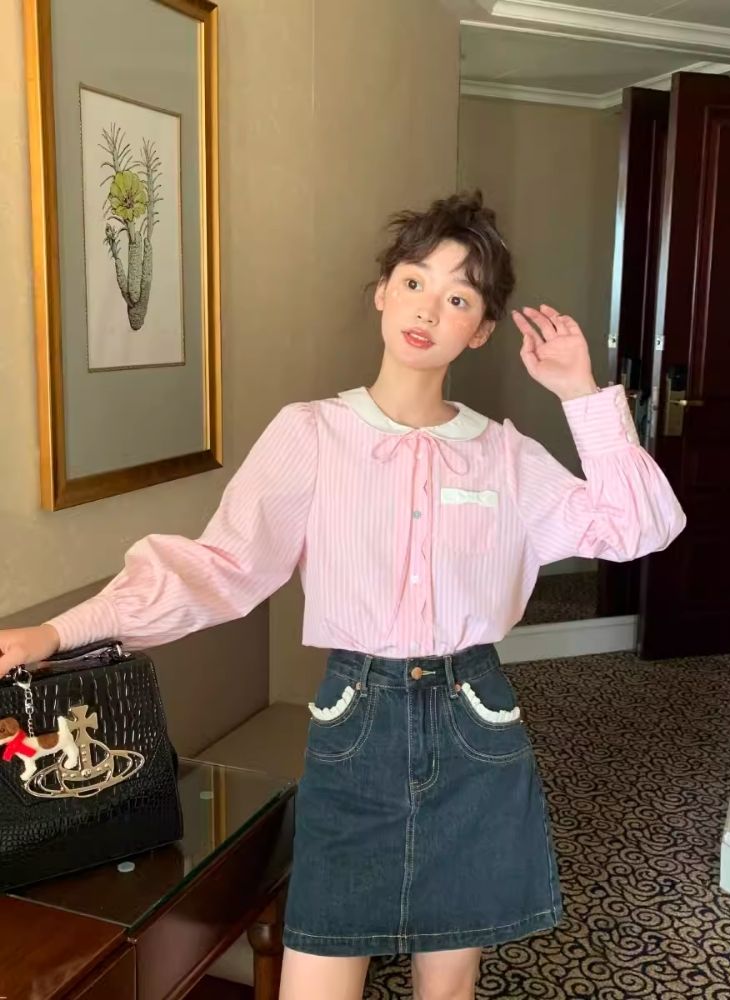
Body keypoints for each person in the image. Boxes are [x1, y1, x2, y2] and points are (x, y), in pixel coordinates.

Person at [0, 191, 686, 1000]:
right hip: (356, 722)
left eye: (459, 298)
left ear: (482, 329)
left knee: (449, 983)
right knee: (319, 974)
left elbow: (641, 527)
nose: (428, 308)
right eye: (415, 282)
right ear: (383, 293)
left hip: (476, 722)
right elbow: (219, 567)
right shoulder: (312, 435)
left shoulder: (506, 456)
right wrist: (61, 630)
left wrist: (581, 395)